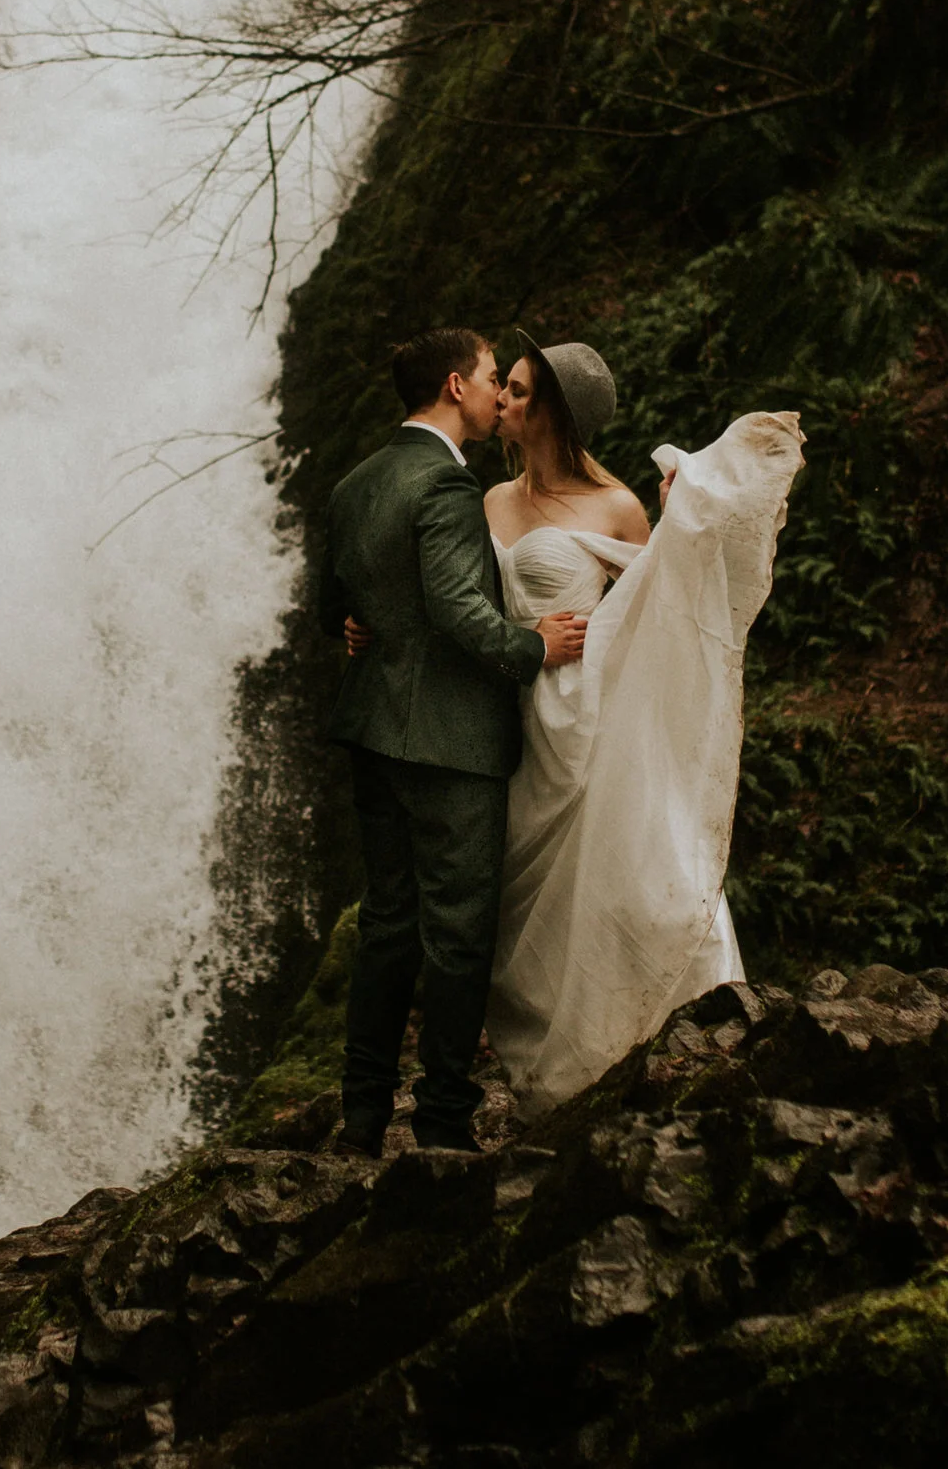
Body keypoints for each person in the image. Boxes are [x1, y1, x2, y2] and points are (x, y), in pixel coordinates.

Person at [484, 340, 803, 1116]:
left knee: (615, 868)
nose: (502, 400)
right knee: (521, 905)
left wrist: (677, 522)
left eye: (519, 392)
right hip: (509, 711)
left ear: (551, 412)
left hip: (585, 713)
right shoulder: (489, 501)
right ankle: (550, 1074)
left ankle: (634, 1041)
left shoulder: (618, 506)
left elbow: (661, 601)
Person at [319, 328, 588, 1156]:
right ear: (452, 386)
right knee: (459, 934)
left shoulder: (357, 483)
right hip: (449, 744)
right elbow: (458, 610)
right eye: (484, 378)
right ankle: (441, 1120)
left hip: (372, 734)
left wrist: (358, 628)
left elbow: (340, 604)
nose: (493, 393)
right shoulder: (444, 484)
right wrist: (534, 648)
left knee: (389, 924)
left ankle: (362, 1116)